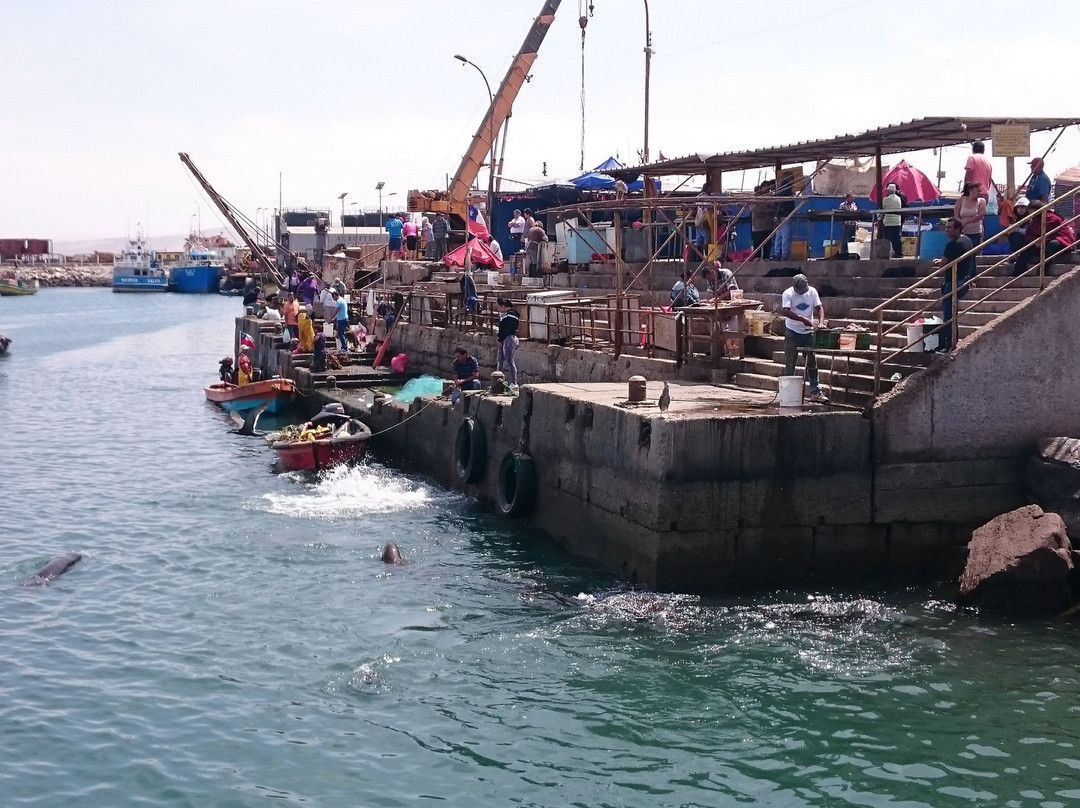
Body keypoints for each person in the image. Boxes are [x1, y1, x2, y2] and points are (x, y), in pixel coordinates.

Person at [780, 273, 828, 403]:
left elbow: (819, 308)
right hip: (792, 331)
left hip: (808, 333)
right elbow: (785, 311)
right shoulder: (788, 294)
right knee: (790, 363)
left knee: (812, 362)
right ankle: (788, 394)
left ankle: (816, 391)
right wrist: (802, 319)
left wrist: (821, 322)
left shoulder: (812, 292)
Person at [933, 217, 976, 353]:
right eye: (946, 227)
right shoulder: (967, 240)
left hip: (954, 282)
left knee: (948, 315)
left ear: (958, 229)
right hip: (964, 280)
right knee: (952, 312)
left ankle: (950, 343)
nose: (947, 230)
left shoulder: (953, 244)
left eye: (950, 227)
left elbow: (943, 264)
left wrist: (939, 263)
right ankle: (952, 340)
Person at [1012, 201, 1076, 277]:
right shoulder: (1035, 220)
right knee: (1026, 249)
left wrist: (1042, 240)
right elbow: (1029, 234)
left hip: (1062, 242)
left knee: (1052, 244)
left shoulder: (1052, 217)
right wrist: (1035, 242)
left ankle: (1043, 270)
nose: (1031, 215)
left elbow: (1050, 232)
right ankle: (1018, 271)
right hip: (1041, 243)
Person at [953, 182, 987, 250]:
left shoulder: (981, 201)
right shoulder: (961, 200)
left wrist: (967, 221)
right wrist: (961, 222)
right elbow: (956, 214)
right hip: (962, 232)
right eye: (978, 191)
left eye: (980, 191)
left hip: (976, 232)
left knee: (973, 252)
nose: (980, 193)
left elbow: (980, 215)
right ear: (971, 190)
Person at [496, 297, 520, 389]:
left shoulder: (511, 315)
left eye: (498, 307)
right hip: (503, 339)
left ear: (503, 306)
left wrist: (500, 339)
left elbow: (507, 329)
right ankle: (498, 382)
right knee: (500, 360)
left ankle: (514, 383)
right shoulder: (505, 315)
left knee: (509, 361)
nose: (497, 309)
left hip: (509, 339)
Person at [771, 172, 796, 260]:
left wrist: (776, 215)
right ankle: (784, 255)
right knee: (785, 235)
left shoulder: (781, 189)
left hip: (780, 215)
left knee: (779, 236)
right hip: (785, 215)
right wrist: (777, 214)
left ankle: (777, 253)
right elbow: (781, 203)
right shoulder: (787, 190)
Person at [750, 181, 776, 258]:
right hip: (758, 226)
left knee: (767, 243)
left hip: (768, 225)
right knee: (757, 243)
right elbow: (754, 209)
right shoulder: (755, 198)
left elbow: (774, 207)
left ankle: (766, 257)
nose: (767, 189)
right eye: (765, 187)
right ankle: (757, 258)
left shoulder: (771, 197)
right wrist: (767, 209)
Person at [881, 183, 903, 258]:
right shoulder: (898, 198)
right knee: (897, 239)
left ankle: (886, 253)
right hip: (897, 222)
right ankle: (899, 253)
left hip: (888, 222)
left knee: (887, 239)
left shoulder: (886, 199)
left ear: (888, 191)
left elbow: (882, 209)